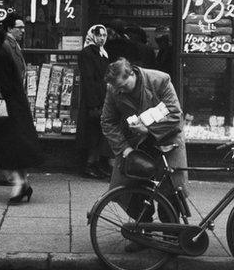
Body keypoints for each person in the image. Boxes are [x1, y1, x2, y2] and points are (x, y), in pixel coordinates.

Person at [101, 58, 188, 251]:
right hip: (135, 145)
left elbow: (174, 114)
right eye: (117, 88)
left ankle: (171, 236)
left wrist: (148, 129)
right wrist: (125, 149)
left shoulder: (160, 80)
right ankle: (142, 234)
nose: (120, 91)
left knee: (170, 191)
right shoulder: (114, 89)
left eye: (123, 86)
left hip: (167, 142)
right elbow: (108, 121)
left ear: (132, 73)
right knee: (132, 190)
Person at [0, 22, 44, 205]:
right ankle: (22, 184)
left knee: (7, 147)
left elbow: (3, 83)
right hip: (13, 107)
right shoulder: (1, 51)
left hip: (8, 109)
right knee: (15, 146)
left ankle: (19, 184)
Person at [0, 13, 28, 186]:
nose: (23, 30)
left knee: (7, 133)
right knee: (7, 133)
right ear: (9, 28)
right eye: (19, 27)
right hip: (9, 97)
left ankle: (3, 173)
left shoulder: (13, 44)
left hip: (12, 95)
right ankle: (3, 174)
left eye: (23, 27)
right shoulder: (6, 45)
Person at [78, 24, 111, 179]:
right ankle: (89, 165)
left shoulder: (102, 53)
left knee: (98, 133)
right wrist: (93, 104)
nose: (102, 38)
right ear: (92, 35)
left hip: (101, 98)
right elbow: (88, 79)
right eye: (99, 35)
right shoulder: (87, 53)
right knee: (92, 133)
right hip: (93, 101)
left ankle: (96, 163)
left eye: (104, 35)